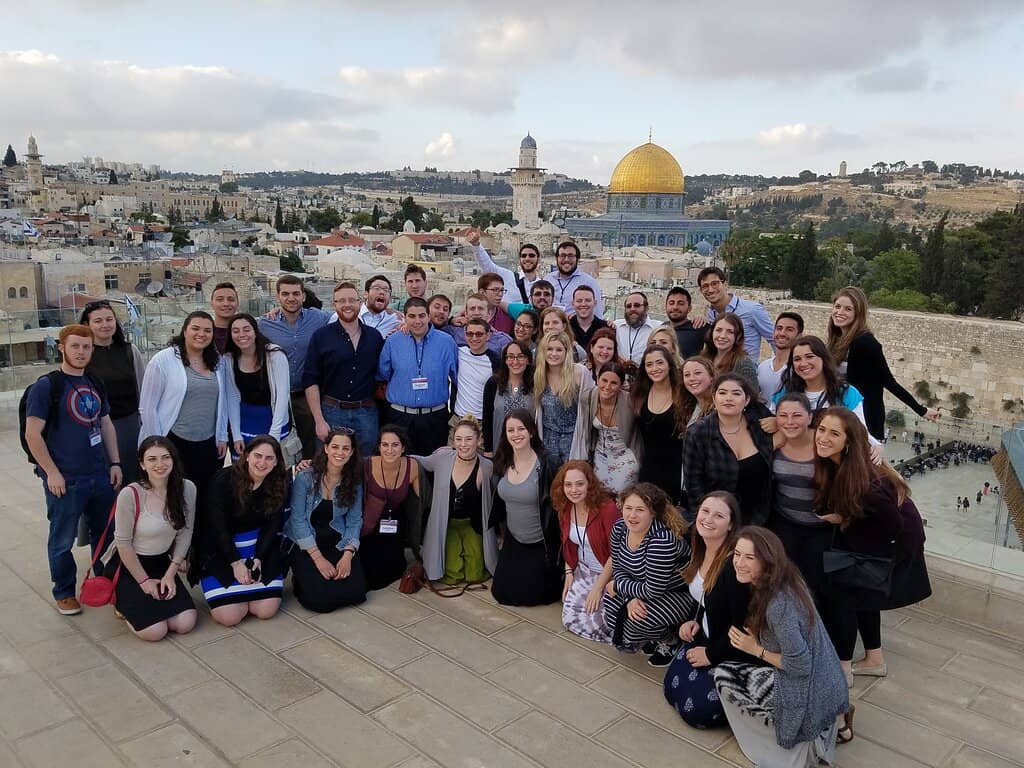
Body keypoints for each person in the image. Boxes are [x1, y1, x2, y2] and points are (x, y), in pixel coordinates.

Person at [714, 527, 850, 766]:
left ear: (767, 561)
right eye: (737, 554)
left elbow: (800, 666)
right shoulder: (789, 578)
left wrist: (756, 649)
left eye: (749, 557)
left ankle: (797, 737)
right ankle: (836, 722)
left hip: (809, 691)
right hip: (829, 681)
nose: (739, 563)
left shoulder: (778, 605)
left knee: (723, 675)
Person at [814, 407, 931, 683]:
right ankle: (874, 659)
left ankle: (842, 670)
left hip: (896, 542)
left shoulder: (863, 483)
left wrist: (844, 520)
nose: (823, 437)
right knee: (864, 596)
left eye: (834, 433)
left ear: (849, 442)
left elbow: (893, 525)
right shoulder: (844, 465)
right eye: (821, 429)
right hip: (882, 536)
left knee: (844, 598)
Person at [24, 324, 123, 615]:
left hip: (99, 475)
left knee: (105, 535)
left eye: (86, 347)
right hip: (66, 479)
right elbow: (32, 434)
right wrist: (51, 472)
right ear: (62, 348)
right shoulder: (47, 387)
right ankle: (64, 591)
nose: (81, 352)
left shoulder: (94, 381)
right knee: (62, 538)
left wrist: (115, 462)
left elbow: (105, 424)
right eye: (75, 346)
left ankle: (104, 584)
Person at [664, 491, 756, 729]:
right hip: (706, 633)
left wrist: (711, 655)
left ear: (731, 525)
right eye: (705, 511)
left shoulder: (734, 567)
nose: (708, 519)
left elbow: (742, 626)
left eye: (718, 516)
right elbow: (703, 598)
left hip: (734, 647)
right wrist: (691, 620)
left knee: (698, 713)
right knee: (671, 688)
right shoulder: (701, 547)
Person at [138, 311, 227, 553]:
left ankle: (198, 552)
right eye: (195, 328)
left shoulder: (217, 362)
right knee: (175, 498)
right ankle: (174, 553)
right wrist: (157, 445)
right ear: (185, 330)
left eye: (207, 330)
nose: (201, 334)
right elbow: (147, 406)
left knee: (203, 499)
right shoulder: (164, 360)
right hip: (174, 442)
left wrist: (221, 435)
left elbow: (222, 401)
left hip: (207, 444)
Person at [106, 436, 197, 641]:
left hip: (162, 562)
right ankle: (121, 604)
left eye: (165, 457)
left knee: (185, 623)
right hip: (129, 565)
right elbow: (123, 543)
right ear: (142, 464)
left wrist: (170, 574)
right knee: (155, 631)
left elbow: (186, 532)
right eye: (152, 459)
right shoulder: (130, 494)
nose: (160, 464)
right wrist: (144, 581)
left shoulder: (187, 488)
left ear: (173, 459)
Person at [827, 286, 940, 441]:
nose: (840, 312)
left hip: (862, 418)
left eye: (848, 309)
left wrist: (921, 410)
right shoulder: (836, 341)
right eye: (837, 306)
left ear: (858, 314)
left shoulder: (865, 343)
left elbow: (888, 381)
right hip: (840, 413)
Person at [603, 482, 694, 665]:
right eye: (628, 508)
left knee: (636, 621)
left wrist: (619, 586)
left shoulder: (661, 541)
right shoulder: (620, 528)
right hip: (640, 587)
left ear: (653, 513)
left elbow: (653, 590)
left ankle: (671, 641)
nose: (632, 515)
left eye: (640, 510)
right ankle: (653, 635)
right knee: (609, 606)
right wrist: (629, 598)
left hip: (677, 593)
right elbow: (618, 567)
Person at [200, 436, 287, 626]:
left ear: (276, 462)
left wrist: (259, 558)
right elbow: (217, 526)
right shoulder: (223, 480)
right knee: (229, 617)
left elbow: (273, 526)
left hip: (259, 548)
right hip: (223, 549)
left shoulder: (279, 482)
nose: (262, 463)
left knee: (265, 610)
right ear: (247, 456)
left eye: (269, 458)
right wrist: (235, 562)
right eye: (258, 456)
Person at [287, 428, 367, 611]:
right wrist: (318, 559)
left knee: (358, 593)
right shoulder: (305, 477)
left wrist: (348, 554)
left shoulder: (354, 481)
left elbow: (355, 520)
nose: (340, 452)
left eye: (346, 448)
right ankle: (301, 581)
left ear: (352, 452)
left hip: (336, 541)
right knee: (320, 602)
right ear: (326, 448)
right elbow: (298, 520)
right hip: (307, 543)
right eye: (335, 447)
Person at [489, 409, 562, 606]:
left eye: (521, 429)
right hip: (513, 538)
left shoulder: (548, 463)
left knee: (534, 597)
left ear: (531, 431)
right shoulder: (501, 461)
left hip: (540, 542)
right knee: (501, 593)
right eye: (510, 430)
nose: (516, 434)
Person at [304, 282, 385, 457]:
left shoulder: (374, 337)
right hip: (331, 412)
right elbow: (311, 379)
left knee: (366, 464)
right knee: (329, 464)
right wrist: (319, 420)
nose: (347, 305)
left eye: (351, 300)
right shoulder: (321, 337)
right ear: (334, 304)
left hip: (366, 414)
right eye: (341, 301)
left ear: (360, 303)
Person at [417, 417, 498, 584]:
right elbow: (419, 461)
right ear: (453, 441)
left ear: (478, 440)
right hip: (448, 524)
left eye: (468, 439)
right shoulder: (442, 458)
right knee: (453, 574)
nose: (463, 444)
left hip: (472, 524)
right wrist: (395, 456)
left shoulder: (487, 467)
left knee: (475, 575)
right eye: (459, 439)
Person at [683, 373, 773, 525]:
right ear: (714, 398)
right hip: (717, 520)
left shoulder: (759, 422)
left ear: (747, 400)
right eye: (722, 393)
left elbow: (790, 424)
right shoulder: (698, 433)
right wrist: (709, 521)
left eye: (736, 393)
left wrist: (777, 422)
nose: (728, 398)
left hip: (760, 517)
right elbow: (694, 486)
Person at [767, 393, 833, 599]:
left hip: (821, 528)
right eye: (783, 416)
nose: (789, 422)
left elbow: (856, 464)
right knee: (784, 581)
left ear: (810, 417)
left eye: (797, 415)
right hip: (785, 523)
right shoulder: (773, 444)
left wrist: (844, 514)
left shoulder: (823, 442)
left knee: (815, 585)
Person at [773, 335, 882, 460]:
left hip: (830, 462)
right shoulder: (785, 392)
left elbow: (859, 429)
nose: (803, 363)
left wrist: (876, 445)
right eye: (797, 359)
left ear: (823, 358)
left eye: (809, 356)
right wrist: (774, 421)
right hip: (792, 459)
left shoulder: (846, 393)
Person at [259, 274, 330, 460]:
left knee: (308, 446)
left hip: (304, 396)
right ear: (278, 296)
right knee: (276, 445)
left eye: (296, 293)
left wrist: (393, 313)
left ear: (303, 296)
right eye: (285, 294)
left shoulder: (318, 318)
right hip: (275, 397)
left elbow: (347, 313)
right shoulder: (265, 324)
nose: (291, 298)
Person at [378, 297, 458, 456]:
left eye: (422, 316)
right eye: (412, 316)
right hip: (400, 418)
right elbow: (383, 374)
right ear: (405, 317)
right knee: (401, 464)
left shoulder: (446, 342)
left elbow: (456, 377)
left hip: (435, 418)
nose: (417, 321)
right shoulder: (393, 341)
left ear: (428, 316)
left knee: (433, 465)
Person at [79, 300, 146, 484]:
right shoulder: (83, 356)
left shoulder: (130, 351)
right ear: (87, 324)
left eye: (109, 319)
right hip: (96, 428)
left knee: (131, 478)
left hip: (129, 427)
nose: (105, 325)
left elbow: (142, 388)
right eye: (98, 321)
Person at [553, 461, 620, 643]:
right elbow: (567, 542)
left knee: (600, 626)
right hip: (583, 569)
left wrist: (598, 589)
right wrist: (568, 571)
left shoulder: (608, 509)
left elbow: (616, 553)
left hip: (608, 573)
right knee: (571, 619)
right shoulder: (565, 507)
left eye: (579, 484)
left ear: (590, 484)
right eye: (568, 484)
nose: (573, 490)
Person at [361, 426, 423, 590]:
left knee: (394, 569)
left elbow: (422, 502)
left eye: (395, 445)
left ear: (403, 448)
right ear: (379, 447)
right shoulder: (366, 464)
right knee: (370, 576)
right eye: (385, 445)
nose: (389, 450)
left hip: (394, 523)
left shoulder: (412, 466)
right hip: (370, 525)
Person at [222, 314, 291, 453]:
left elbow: (282, 396)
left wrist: (274, 433)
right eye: (236, 331)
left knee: (271, 462)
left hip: (273, 419)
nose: (242, 334)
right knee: (244, 464)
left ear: (255, 332)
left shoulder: (274, 355)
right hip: (245, 421)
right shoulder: (229, 358)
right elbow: (232, 397)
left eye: (246, 329)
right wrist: (236, 434)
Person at [632, 347, 687, 504]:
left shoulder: (683, 393)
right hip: (648, 469)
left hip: (677, 471)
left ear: (669, 364)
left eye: (659, 363)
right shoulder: (640, 394)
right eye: (649, 364)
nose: (654, 368)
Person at [575, 361, 640, 493]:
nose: (607, 386)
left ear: (621, 386)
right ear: (597, 379)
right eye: (604, 380)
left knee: (621, 493)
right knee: (600, 494)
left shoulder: (630, 402)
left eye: (614, 383)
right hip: (600, 454)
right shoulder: (588, 397)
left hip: (626, 455)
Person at [533, 331, 593, 464]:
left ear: (566, 352)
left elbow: (591, 407)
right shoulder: (539, 375)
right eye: (549, 349)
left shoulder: (579, 373)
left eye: (559, 350)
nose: (554, 354)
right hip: (547, 441)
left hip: (573, 440)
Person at [697, 267, 774, 359]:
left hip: (745, 367)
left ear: (725, 285)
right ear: (701, 290)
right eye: (705, 286)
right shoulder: (710, 314)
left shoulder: (752, 310)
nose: (710, 290)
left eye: (715, 284)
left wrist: (780, 365)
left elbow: (775, 338)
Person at [482, 341, 534, 457]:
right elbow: (487, 419)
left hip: (528, 450)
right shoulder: (493, 383)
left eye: (520, 356)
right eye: (510, 357)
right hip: (499, 448)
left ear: (528, 360)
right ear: (505, 360)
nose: (515, 361)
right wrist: (488, 449)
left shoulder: (535, 385)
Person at [468, 230, 542, 304]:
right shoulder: (508, 276)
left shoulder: (543, 285)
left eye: (531, 255)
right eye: (524, 256)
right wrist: (476, 245)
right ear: (519, 259)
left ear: (538, 259)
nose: (527, 258)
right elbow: (487, 265)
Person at [452, 318, 501, 422]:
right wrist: (451, 320)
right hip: (458, 418)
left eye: (479, 334)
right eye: (470, 334)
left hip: (481, 420)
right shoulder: (458, 352)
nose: (474, 338)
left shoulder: (495, 360)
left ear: (488, 336)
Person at [702, 313, 759, 391]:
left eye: (730, 332)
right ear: (712, 332)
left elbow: (753, 395)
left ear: (738, 336)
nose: (722, 336)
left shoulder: (744, 364)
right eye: (718, 330)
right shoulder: (704, 359)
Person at [757, 312, 804, 402]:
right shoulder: (762, 366)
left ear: (799, 336)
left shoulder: (799, 369)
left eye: (789, 330)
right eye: (779, 328)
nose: (782, 333)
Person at [549, 241, 605, 315]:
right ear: (557, 258)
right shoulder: (548, 279)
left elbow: (597, 313)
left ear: (577, 259)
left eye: (570, 256)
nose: (566, 259)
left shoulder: (589, 283)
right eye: (562, 255)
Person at [446, 292, 513, 353]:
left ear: (489, 314)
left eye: (480, 308)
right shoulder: (453, 332)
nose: (476, 312)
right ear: (466, 313)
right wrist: (450, 320)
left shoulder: (502, 341)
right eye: (472, 308)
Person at [614, 291, 659, 364]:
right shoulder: (616, 325)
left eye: (637, 305)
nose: (632, 309)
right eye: (628, 306)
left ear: (646, 308)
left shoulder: (657, 328)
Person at [665, 286, 707, 358]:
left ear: (689, 308)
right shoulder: (662, 329)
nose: (675, 307)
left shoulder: (699, 328)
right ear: (665, 306)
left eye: (681, 303)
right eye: (671, 303)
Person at [569, 284, 610, 350]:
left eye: (588, 300)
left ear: (595, 303)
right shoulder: (566, 327)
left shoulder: (606, 328)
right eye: (579, 301)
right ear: (573, 303)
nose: (583, 304)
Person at [681, 357, 715, 427]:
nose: (692, 378)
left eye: (697, 373)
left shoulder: (719, 408)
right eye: (687, 375)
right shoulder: (687, 407)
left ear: (711, 376)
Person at [209, 282, 239, 353]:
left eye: (231, 299)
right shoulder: (205, 333)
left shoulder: (247, 333)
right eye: (220, 300)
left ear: (237, 303)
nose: (226, 304)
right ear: (212, 304)